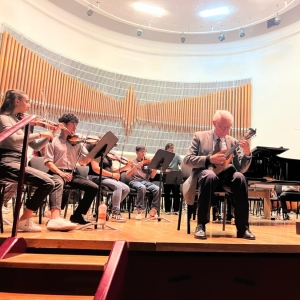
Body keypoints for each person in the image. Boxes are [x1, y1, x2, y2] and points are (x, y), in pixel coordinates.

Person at [182, 110, 255, 240]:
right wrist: (209, 159)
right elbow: (187, 159)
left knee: (241, 178)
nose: (226, 130)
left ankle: (243, 228)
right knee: (209, 175)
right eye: (222, 126)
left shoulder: (233, 142)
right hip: (204, 176)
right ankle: (201, 225)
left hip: (226, 178)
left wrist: (247, 153)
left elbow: (241, 169)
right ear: (214, 123)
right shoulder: (199, 136)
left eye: (228, 127)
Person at [0, 89, 55, 232]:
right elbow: (12, 140)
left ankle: (24, 220)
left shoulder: (18, 121)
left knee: (49, 181)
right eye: (27, 101)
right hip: (6, 161)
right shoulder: (4, 118)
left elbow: (34, 146)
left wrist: (50, 136)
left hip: (17, 162)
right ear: (17, 101)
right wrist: (40, 132)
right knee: (47, 182)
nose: (29, 105)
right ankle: (24, 220)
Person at [43, 113, 98, 231]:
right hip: (56, 172)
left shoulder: (77, 143)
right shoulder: (53, 140)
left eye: (76, 124)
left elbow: (84, 161)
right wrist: (61, 173)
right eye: (72, 124)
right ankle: (55, 217)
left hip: (72, 174)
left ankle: (77, 215)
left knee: (93, 187)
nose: (75, 127)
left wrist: (94, 151)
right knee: (58, 183)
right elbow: (48, 162)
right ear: (63, 125)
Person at [86, 141, 132, 222]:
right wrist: (111, 175)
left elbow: (114, 171)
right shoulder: (97, 153)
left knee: (126, 188)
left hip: (106, 178)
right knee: (118, 186)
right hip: (96, 177)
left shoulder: (107, 157)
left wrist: (126, 167)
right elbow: (95, 168)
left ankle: (109, 210)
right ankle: (115, 213)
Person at [126, 145, 160, 220]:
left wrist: (155, 167)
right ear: (137, 152)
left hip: (146, 181)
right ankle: (139, 211)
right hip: (135, 181)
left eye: (145, 151)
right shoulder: (132, 162)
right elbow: (127, 175)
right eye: (142, 151)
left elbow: (152, 176)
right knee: (142, 187)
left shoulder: (148, 163)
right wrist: (140, 163)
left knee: (158, 189)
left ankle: (153, 210)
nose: (144, 153)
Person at [163, 143, 182, 215]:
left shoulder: (177, 156)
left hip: (175, 176)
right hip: (166, 176)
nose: (172, 149)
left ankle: (176, 210)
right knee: (167, 193)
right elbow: (160, 166)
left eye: (173, 148)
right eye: (171, 148)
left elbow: (181, 164)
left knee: (176, 193)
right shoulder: (163, 156)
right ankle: (167, 210)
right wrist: (164, 170)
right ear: (167, 149)